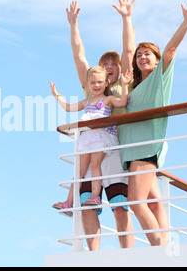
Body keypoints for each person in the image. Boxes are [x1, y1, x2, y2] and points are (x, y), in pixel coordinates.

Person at [119, 0, 187, 246]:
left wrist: (186, 22)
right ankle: (164, 241)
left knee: (136, 201)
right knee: (154, 201)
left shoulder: (159, 79)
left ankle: (160, 248)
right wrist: (126, 19)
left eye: (147, 54)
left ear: (156, 61)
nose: (142, 57)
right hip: (132, 149)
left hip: (146, 147)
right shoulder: (135, 87)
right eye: (139, 55)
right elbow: (126, 53)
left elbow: (170, 50)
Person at [58, 0, 136, 250]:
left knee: (119, 207)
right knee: (88, 207)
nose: (111, 66)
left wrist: (126, 18)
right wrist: (73, 25)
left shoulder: (122, 87)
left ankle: (128, 256)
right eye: (106, 64)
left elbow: (127, 51)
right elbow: (79, 55)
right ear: (99, 70)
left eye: (114, 64)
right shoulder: (91, 89)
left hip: (112, 152)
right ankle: (94, 258)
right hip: (90, 148)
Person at [50, 66, 132, 211]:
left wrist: (124, 85)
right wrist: (56, 95)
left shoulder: (108, 99)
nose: (96, 85)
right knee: (79, 171)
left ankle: (95, 196)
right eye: (93, 82)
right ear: (88, 84)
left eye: (100, 82)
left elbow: (122, 103)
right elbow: (68, 107)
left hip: (101, 136)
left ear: (106, 83)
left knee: (95, 165)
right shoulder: (86, 102)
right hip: (87, 137)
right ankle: (68, 201)